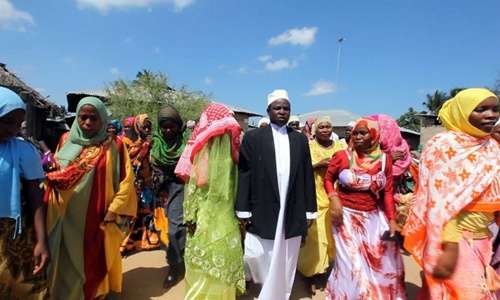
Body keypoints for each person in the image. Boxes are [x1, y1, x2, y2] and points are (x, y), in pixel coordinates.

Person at [403, 88, 500, 299]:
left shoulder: (492, 147)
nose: (491, 115)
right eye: (481, 109)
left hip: (484, 238)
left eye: (495, 109)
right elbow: (441, 202)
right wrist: (450, 245)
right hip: (455, 239)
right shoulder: (445, 146)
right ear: (462, 112)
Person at [45, 97, 137, 300]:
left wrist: (114, 209)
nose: (87, 123)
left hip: (96, 216)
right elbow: (58, 172)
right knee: (65, 260)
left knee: (92, 260)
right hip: (63, 215)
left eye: (93, 118)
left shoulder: (115, 145)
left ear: (102, 119)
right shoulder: (65, 140)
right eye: (83, 117)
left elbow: (126, 180)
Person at [236, 89, 317, 299]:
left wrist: (310, 210)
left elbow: (307, 174)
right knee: (258, 252)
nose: (282, 112)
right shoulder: (254, 138)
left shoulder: (299, 139)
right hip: (263, 202)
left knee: (288, 253)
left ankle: (280, 293)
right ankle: (264, 286)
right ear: (269, 110)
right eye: (277, 108)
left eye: (286, 108)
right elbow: (245, 173)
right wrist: (243, 208)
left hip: (293, 203)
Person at [324, 116, 406, 299]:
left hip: (373, 218)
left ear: (374, 135)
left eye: (363, 133)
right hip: (345, 217)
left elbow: (387, 192)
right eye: (355, 133)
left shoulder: (385, 160)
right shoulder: (342, 157)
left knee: (380, 259)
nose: (358, 137)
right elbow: (328, 179)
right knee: (351, 263)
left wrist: (392, 220)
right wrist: (334, 198)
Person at [175, 103, 245, 299]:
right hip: (218, 219)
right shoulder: (229, 154)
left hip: (211, 218)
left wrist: (189, 215)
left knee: (207, 263)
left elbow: (195, 187)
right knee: (214, 262)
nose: (223, 138)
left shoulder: (206, 153)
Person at [0, 87, 50, 299]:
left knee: (23, 286)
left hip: (13, 233)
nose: (13, 129)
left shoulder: (23, 150)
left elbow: (35, 197)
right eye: (7, 121)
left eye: (18, 124)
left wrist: (41, 240)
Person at [297, 116, 346, 293]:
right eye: (322, 127)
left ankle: (324, 271)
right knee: (315, 236)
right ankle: (310, 273)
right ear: (315, 130)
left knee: (332, 235)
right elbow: (300, 168)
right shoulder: (308, 147)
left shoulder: (341, 146)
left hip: (335, 195)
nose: (325, 130)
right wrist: (318, 165)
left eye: (328, 127)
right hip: (315, 194)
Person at [151, 105, 188, 289]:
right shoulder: (154, 144)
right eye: (164, 126)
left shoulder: (188, 142)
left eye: (171, 126)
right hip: (163, 191)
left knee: (179, 228)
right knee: (170, 230)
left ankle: (179, 265)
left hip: (186, 187)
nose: (168, 130)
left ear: (179, 126)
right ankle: (176, 265)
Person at [120, 114, 158, 253]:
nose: (147, 129)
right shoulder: (123, 143)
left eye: (149, 127)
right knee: (131, 214)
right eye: (144, 127)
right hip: (130, 183)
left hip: (146, 183)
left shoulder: (148, 143)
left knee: (145, 213)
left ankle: (144, 240)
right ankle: (126, 243)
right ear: (137, 127)